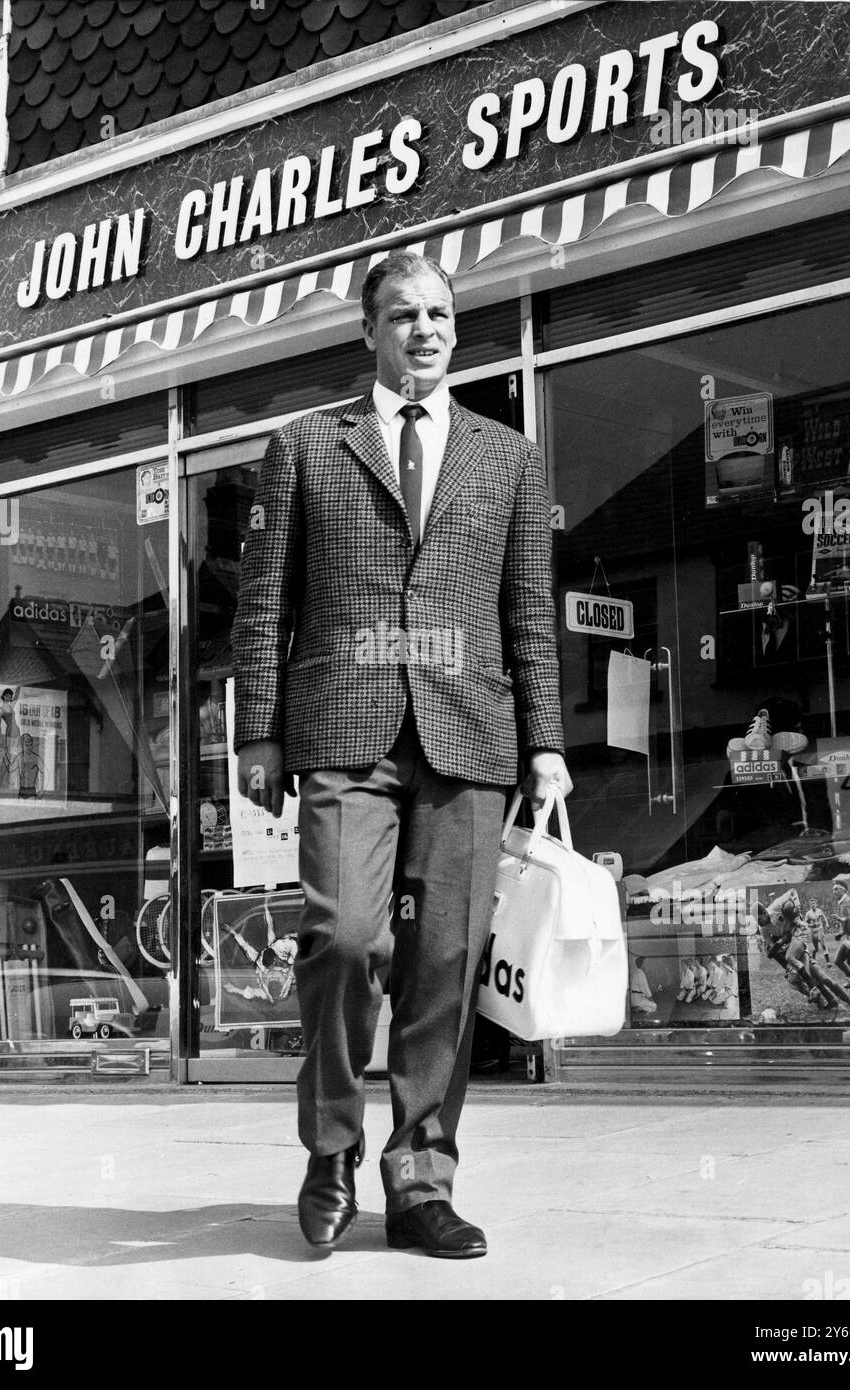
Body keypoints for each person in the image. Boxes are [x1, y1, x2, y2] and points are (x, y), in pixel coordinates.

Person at [231, 251, 570, 1259]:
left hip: (469, 734)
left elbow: (528, 616)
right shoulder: (303, 447)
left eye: (439, 314)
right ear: (367, 333)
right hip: (344, 731)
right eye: (402, 314)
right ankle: (331, 1147)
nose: (423, 329)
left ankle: (422, 1179)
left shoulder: (506, 457)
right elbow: (262, 605)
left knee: (445, 962)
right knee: (342, 936)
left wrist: (546, 742)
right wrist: (256, 732)